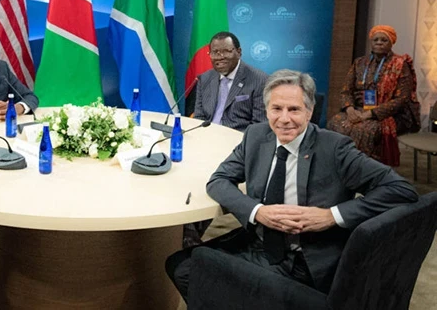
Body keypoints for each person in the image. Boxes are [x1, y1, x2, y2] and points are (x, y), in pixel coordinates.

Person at [165, 69, 418, 301]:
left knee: (221, 282)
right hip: (258, 244)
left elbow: (401, 190)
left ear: (309, 112)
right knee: (181, 266)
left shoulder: (336, 149)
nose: (284, 119)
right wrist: (257, 212)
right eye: (276, 109)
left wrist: (332, 215)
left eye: (294, 110)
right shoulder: (255, 136)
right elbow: (219, 181)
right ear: (266, 110)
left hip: (305, 259)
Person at [327, 25, 420, 166]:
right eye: (376, 39)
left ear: (391, 43)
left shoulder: (400, 64)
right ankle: (337, 165)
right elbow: (346, 90)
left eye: (384, 40)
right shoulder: (360, 63)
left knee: (364, 130)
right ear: (371, 42)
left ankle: (363, 170)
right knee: (336, 122)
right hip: (357, 109)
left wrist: (369, 114)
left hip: (389, 114)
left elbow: (402, 99)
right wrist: (350, 109)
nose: (379, 43)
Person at [193, 31, 268, 131]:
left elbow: (259, 126)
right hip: (207, 138)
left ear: (239, 52)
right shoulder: (205, 78)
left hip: (238, 141)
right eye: (215, 52)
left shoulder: (259, 80)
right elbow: (199, 118)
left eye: (227, 51)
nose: (221, 56)